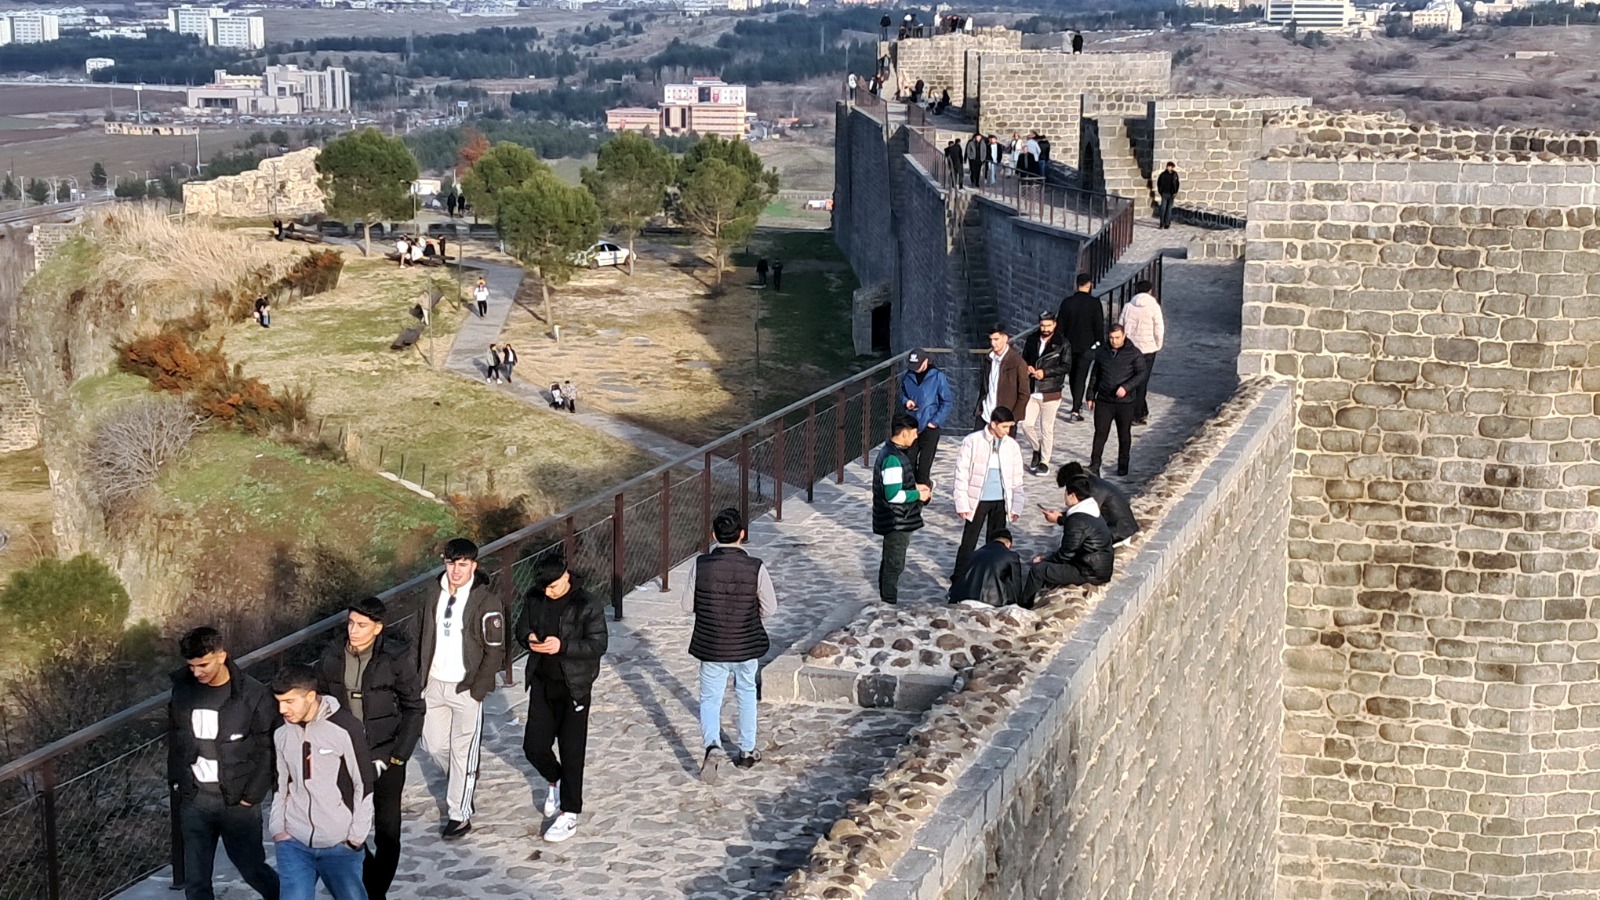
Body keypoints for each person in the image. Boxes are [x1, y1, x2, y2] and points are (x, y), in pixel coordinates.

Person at [315, 597, 422, 900]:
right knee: (345, 830)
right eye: (350, 623)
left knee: (388, 832)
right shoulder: (332, 655)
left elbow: (414, 707)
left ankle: (376, 892)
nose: (354, 630)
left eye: (362, 625)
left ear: (377, 628)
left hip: (386, 753)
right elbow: (321, 701)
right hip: (345, 755)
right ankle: (373, 891)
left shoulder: (396, 658)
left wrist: (399, 756)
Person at [167, 627, 281, 900]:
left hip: (237, 804)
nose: (197, 672)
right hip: (195, 800)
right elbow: (176, 739)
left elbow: (268, 748)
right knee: (196, 883)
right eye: (191, 666)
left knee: (253, 870)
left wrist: (251, 796)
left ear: (222, 656)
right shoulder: (182, 691)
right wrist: (177, 782)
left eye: (203, 664)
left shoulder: (253, 695)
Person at [416, 537, 506, 840]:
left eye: (463, 564)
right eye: (452, 563)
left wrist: (478, 689)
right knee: (433, 744)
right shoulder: (432, 595)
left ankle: (459, 814)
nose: (457, 570)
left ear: (474, 566)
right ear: (445, 564)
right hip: (434, 684)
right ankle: (464, 777)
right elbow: (421, 636)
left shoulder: (486, 601)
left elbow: (495, 649)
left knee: (462, 751)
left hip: (466, 687)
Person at [515, 555, 609, 844]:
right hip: (542, 683)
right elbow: (520, 628)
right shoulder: (534, 597)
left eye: (554, 587)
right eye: (545, 588)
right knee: (533, 746)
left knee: (572, 751)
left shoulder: (588, 603)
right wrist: (529, 637)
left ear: (566, 576)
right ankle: (554, 780)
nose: (549, 592)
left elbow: (599, 644)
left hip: (575, 687)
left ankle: (569, 812)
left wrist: (563, 645)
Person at [680, 507, 778, 780]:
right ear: (743, 535)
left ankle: (712, 744)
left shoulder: (700, 565)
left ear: (713, 535)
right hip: (746, 644)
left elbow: (687, 605)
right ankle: (747, 751)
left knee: (710, 698)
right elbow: (770, 608)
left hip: (711, 645)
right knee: (746, 693)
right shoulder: (755, 567)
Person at [269, 665, 373, 900]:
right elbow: (280, 781)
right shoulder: (280, 732)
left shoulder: (346, 727)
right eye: (278, 701)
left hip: (340, 845)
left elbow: (364, 783)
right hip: (293, 842)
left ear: (310, 696)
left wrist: (355, 836)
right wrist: (278, 827)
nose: (282, 709)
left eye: (289, 701)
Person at [950, 407, 1025, 585]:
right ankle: (959, 577)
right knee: (969, 540)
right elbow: (961, 473)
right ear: (993, 424)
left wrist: (1016, 505)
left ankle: (992, 577)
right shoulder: (972, 441)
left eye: (1009, 427)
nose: (1007, 431)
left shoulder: (1012, 445)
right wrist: (962, 503)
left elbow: (1017, 478)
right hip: (978, 500)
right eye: (1005, 427)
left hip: (1001, 500)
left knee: (996, 542)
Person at [1023, 476, 1113, 606]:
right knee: (1050, 563)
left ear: (1073, 495)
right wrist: (1059, 519)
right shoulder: (1092, 511)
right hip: (1098, 567)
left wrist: (1045, 559)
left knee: (1038, 570)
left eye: (1066, 493)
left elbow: (1066, 554)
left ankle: (1024, 605)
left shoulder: (1076, 521)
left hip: (1088, 572)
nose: (1064, 496)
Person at [873, 412, 930, 605]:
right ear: (905, 433)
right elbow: (893, 495)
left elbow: (895, 485)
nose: (916, 437)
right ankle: (889, 603)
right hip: (896, 519)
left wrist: (914, 487)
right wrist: (918, 495)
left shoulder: (892, 454)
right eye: (914, 433)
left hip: (896, 518)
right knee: (894, 564)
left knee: (890, 561)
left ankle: (887, 599)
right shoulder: (893, 459)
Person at [1087, 324, 1147, 478]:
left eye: (1117, 338)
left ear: (1124, 336)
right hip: (1104, 401)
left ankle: (1123, 464)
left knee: (1124, 434)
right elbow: (1095, 374)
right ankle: (1095, 464)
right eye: (1111, 337)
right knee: (1100, 433)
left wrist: (1126, 387)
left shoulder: (1134, 353)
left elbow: (1141, 374)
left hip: (1125, 402)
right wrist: (1090, 395)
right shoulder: (1102, 353)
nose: (1114, 341)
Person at [1020, 311, 1070, 476]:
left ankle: (1044, 461)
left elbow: (1066, 366)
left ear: (1054, 325)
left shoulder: (1062, 343)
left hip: (1051, 391)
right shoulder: (1032, 339)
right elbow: (1025, 358)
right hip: (1033, 390)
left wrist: (1045, 372)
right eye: (1042, 325)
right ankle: (1036, 448)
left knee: (1046, 428)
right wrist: (1027, 367)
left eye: (1048, 325)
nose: (1045, 329)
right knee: (1026, 424)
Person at [899, 349, 953, 487]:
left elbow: (946, 401)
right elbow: (902, 393)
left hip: (930, 426)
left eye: (918, 366)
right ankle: (913, 492)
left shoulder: (937, 377)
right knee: (909, 463)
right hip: (912, 426)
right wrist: (906, 401)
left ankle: (924, 491)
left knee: (924, 466)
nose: (915, 370)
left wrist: (934, 422)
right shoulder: (908, 376)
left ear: (926, 361)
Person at [1057, 273, 1105, 422]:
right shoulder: (1095, 303)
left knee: (1072, 377)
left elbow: (1060, 326)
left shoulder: (1067, 303)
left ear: (1076, 285)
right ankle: (1076, 409)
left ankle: (1076, 404)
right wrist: (1099, 344)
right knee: (1081, 376)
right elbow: (1098, 326)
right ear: (1089, 284)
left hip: (1070, 346)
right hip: (1087, 347)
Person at [1058, 461, 1140, 546]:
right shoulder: (1093, 483)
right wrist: (1061, 515)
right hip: (1121, 527)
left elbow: (1084, 519)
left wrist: (1060, 519)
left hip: (1120, 532)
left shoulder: (1094, 490)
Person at [1117, 280, 1165, 425]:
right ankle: (1137, 413)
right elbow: (1159, 327)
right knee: (1142, 380)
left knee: (1132, 378)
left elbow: (1121, 325)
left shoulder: (1128, 306)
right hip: (1148, 348)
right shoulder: (1154, 307)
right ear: (1150, 291)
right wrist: (1158, 344)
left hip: (1131, 348)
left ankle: (1139, 410)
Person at [947, 529, 1023, 607]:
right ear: (1008, 543)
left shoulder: (974, 554)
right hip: (994, 602)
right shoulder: (1011, 556)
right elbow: (1016, 584)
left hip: (965, 599)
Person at [977, 324, 1029, 428]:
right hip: (985, 415)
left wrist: (1013, 418)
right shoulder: (989, 359)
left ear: (1005, 339)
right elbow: (986, 387)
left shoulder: (1017, 362)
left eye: (996, 339)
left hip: (1004, 419)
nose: (993, 343)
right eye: (991, 339)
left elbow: (1024, 393)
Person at [1156, 161, 1180, 229]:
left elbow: (1177, 183)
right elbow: (1159, 183)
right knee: (1163, 208)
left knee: (1169, 209)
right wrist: (1160, 191)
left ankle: (1167, 223)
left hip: (1171, 194)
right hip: (1164, 193)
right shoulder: (1163, 175)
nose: (1169, 168)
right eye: (1168, 166)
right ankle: (1161, 223)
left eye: (1170, 166)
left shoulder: (1175, 175)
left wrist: (1176, 192)